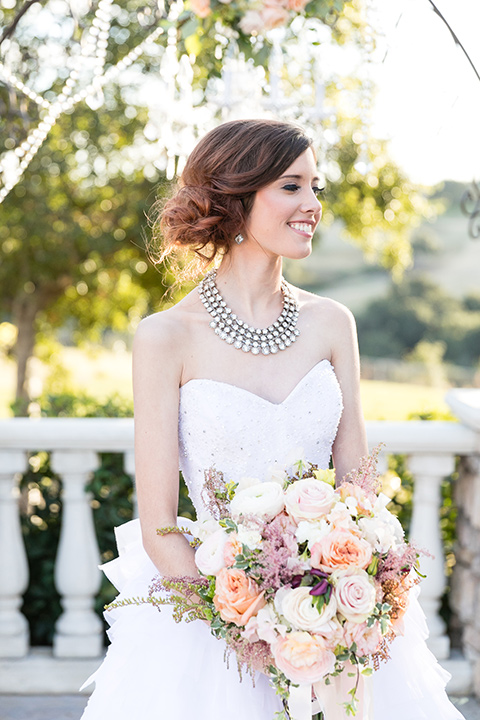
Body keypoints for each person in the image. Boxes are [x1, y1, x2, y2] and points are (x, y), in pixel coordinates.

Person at [80, 119, 464, 720]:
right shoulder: (164, 338)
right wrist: (255, 629)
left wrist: (341, 606)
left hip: (334, 615)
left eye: (316, 187)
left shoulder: (334, 324)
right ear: (236, 197)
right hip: (214, 631)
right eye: (292, 186)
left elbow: (356, 489)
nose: (312, 205)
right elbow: (158, 526)